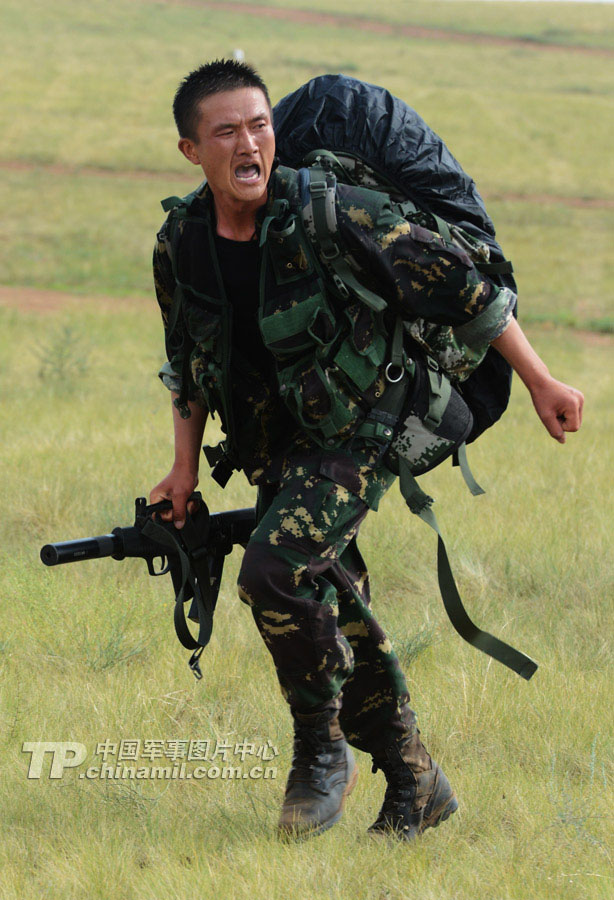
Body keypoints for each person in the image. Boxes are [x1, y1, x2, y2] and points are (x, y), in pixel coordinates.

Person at [149, 59, 584, 840]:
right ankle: (417, 782)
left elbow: (467, 291)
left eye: (260, 125)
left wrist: (543, 380)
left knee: (275, 570)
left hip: (362, 426)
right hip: (275, 441)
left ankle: (320, 754)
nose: (250, 143)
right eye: (227, 132)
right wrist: (183, 469)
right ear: (192, 151)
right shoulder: (181, 240)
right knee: (331, 599)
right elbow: (186, 360)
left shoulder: (331, 212)